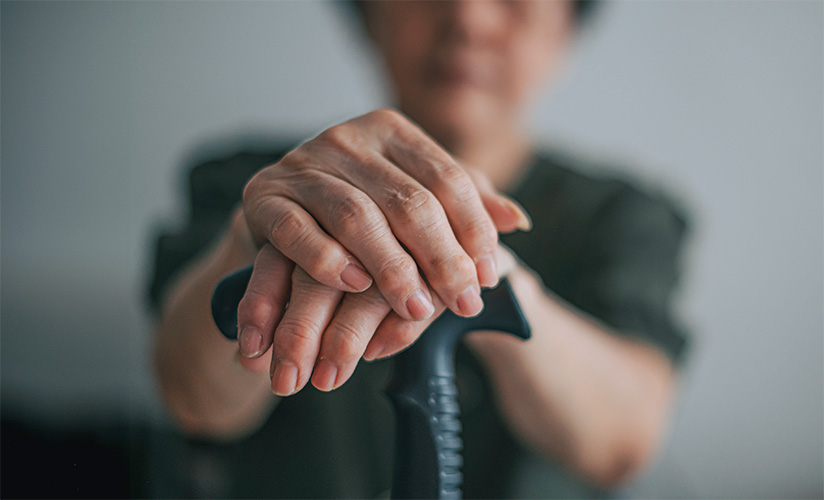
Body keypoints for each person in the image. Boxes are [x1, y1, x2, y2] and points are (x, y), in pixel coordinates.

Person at [149, 1, 689, 497]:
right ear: (368, 16)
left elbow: (624, 441)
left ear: (567, 29)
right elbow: (191, 398)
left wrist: (485, 274)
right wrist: (256, 236)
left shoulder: (623, 217)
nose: (468, 20)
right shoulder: (244, 181)